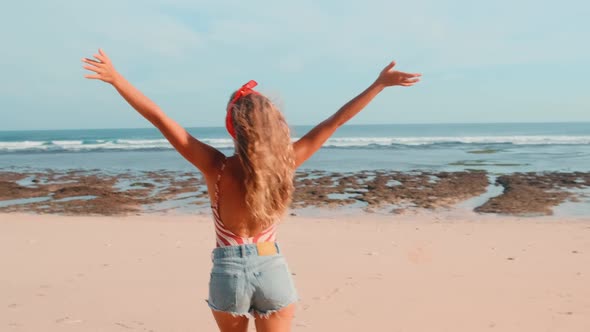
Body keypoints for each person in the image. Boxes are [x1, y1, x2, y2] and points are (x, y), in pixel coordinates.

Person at [82, 48, 421, 332]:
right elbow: (334, 122)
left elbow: (159, 118)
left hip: (228, 274)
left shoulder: (215, 167)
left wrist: (116, 79)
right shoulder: (284, 163)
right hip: (271, 267)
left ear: (232, 126)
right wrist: (378, 85)